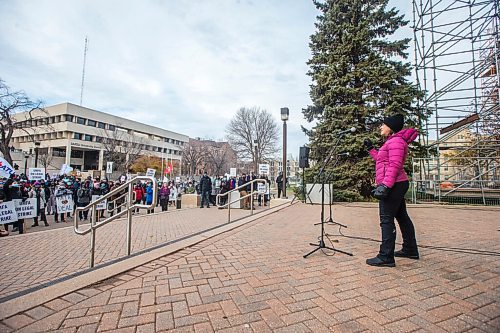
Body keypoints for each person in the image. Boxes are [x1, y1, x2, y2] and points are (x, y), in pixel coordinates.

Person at [364, 114, 419, 267]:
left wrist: (385, 185)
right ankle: (410, 249)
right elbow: (383, 161)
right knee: (402, 217)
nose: (381, 127)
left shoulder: (396, 141)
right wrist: (371, 149)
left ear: (391, 127)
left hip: (394, 184)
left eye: (383, 124)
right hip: (397, 183)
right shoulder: (393, 141)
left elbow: (394, 165)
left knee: (386, 219)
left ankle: (386, 256)